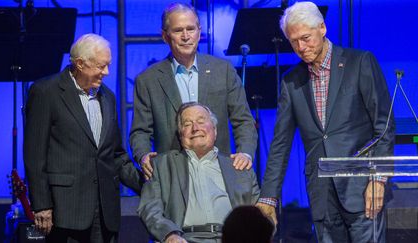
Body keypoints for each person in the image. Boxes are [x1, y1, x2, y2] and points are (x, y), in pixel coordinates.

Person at [256, 2, 395, 243]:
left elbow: (383, 126)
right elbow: (280, 144)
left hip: (363, 189)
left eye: (306, 38)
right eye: (294, 41)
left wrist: (378, 179)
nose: (301, 47)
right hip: (321, 195)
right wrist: (269, 198)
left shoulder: (359, 62)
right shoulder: (291, 81)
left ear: (322, 27)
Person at [23, 33, 143, 242]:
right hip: (65, 211)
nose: (106, 72)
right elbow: (35, 155)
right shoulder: (46, 92)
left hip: (106, 212)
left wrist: (148, 185)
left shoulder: (107, 97)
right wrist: (42, 205)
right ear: (80, 64)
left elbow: (115, 154)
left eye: (108, 65)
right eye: (100, 66)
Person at [130, 2, 257, 180]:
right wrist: (143, 156)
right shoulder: (148, 80)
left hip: (219, 173)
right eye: (177, 30)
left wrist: (245, 153)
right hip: (172, 177)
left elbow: (243, 120)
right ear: (165, 36)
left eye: (190, 29)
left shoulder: (224, 71)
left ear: (199, 31)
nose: (185, 36)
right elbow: (140, 131)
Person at [137, 102, 260, 243]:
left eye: (201, 121)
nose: (195, 128)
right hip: (184, 238)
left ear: (215, 130)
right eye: (187, 124)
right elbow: (150, 209)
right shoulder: (161, 165)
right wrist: (169, 235)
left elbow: (262, 213)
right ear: (180, 134)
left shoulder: (238, 167)